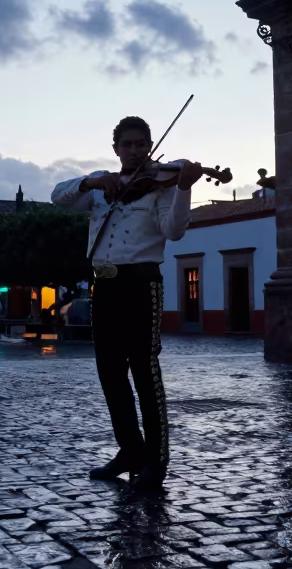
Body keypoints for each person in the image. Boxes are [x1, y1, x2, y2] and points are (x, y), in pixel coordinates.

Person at [51, 115, 202, 493]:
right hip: (105, 286)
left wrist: (183, 189)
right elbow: (58, 198)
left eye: (141, 144)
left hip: (141, 284)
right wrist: (89, 180)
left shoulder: (162, 186)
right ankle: (129, 451)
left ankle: (157, 461)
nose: (135, 151)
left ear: (150, 146)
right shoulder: (100, 187)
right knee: (111, 375)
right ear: (115, 148)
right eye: (128, 144)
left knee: (146, 374)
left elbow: (175, 231)